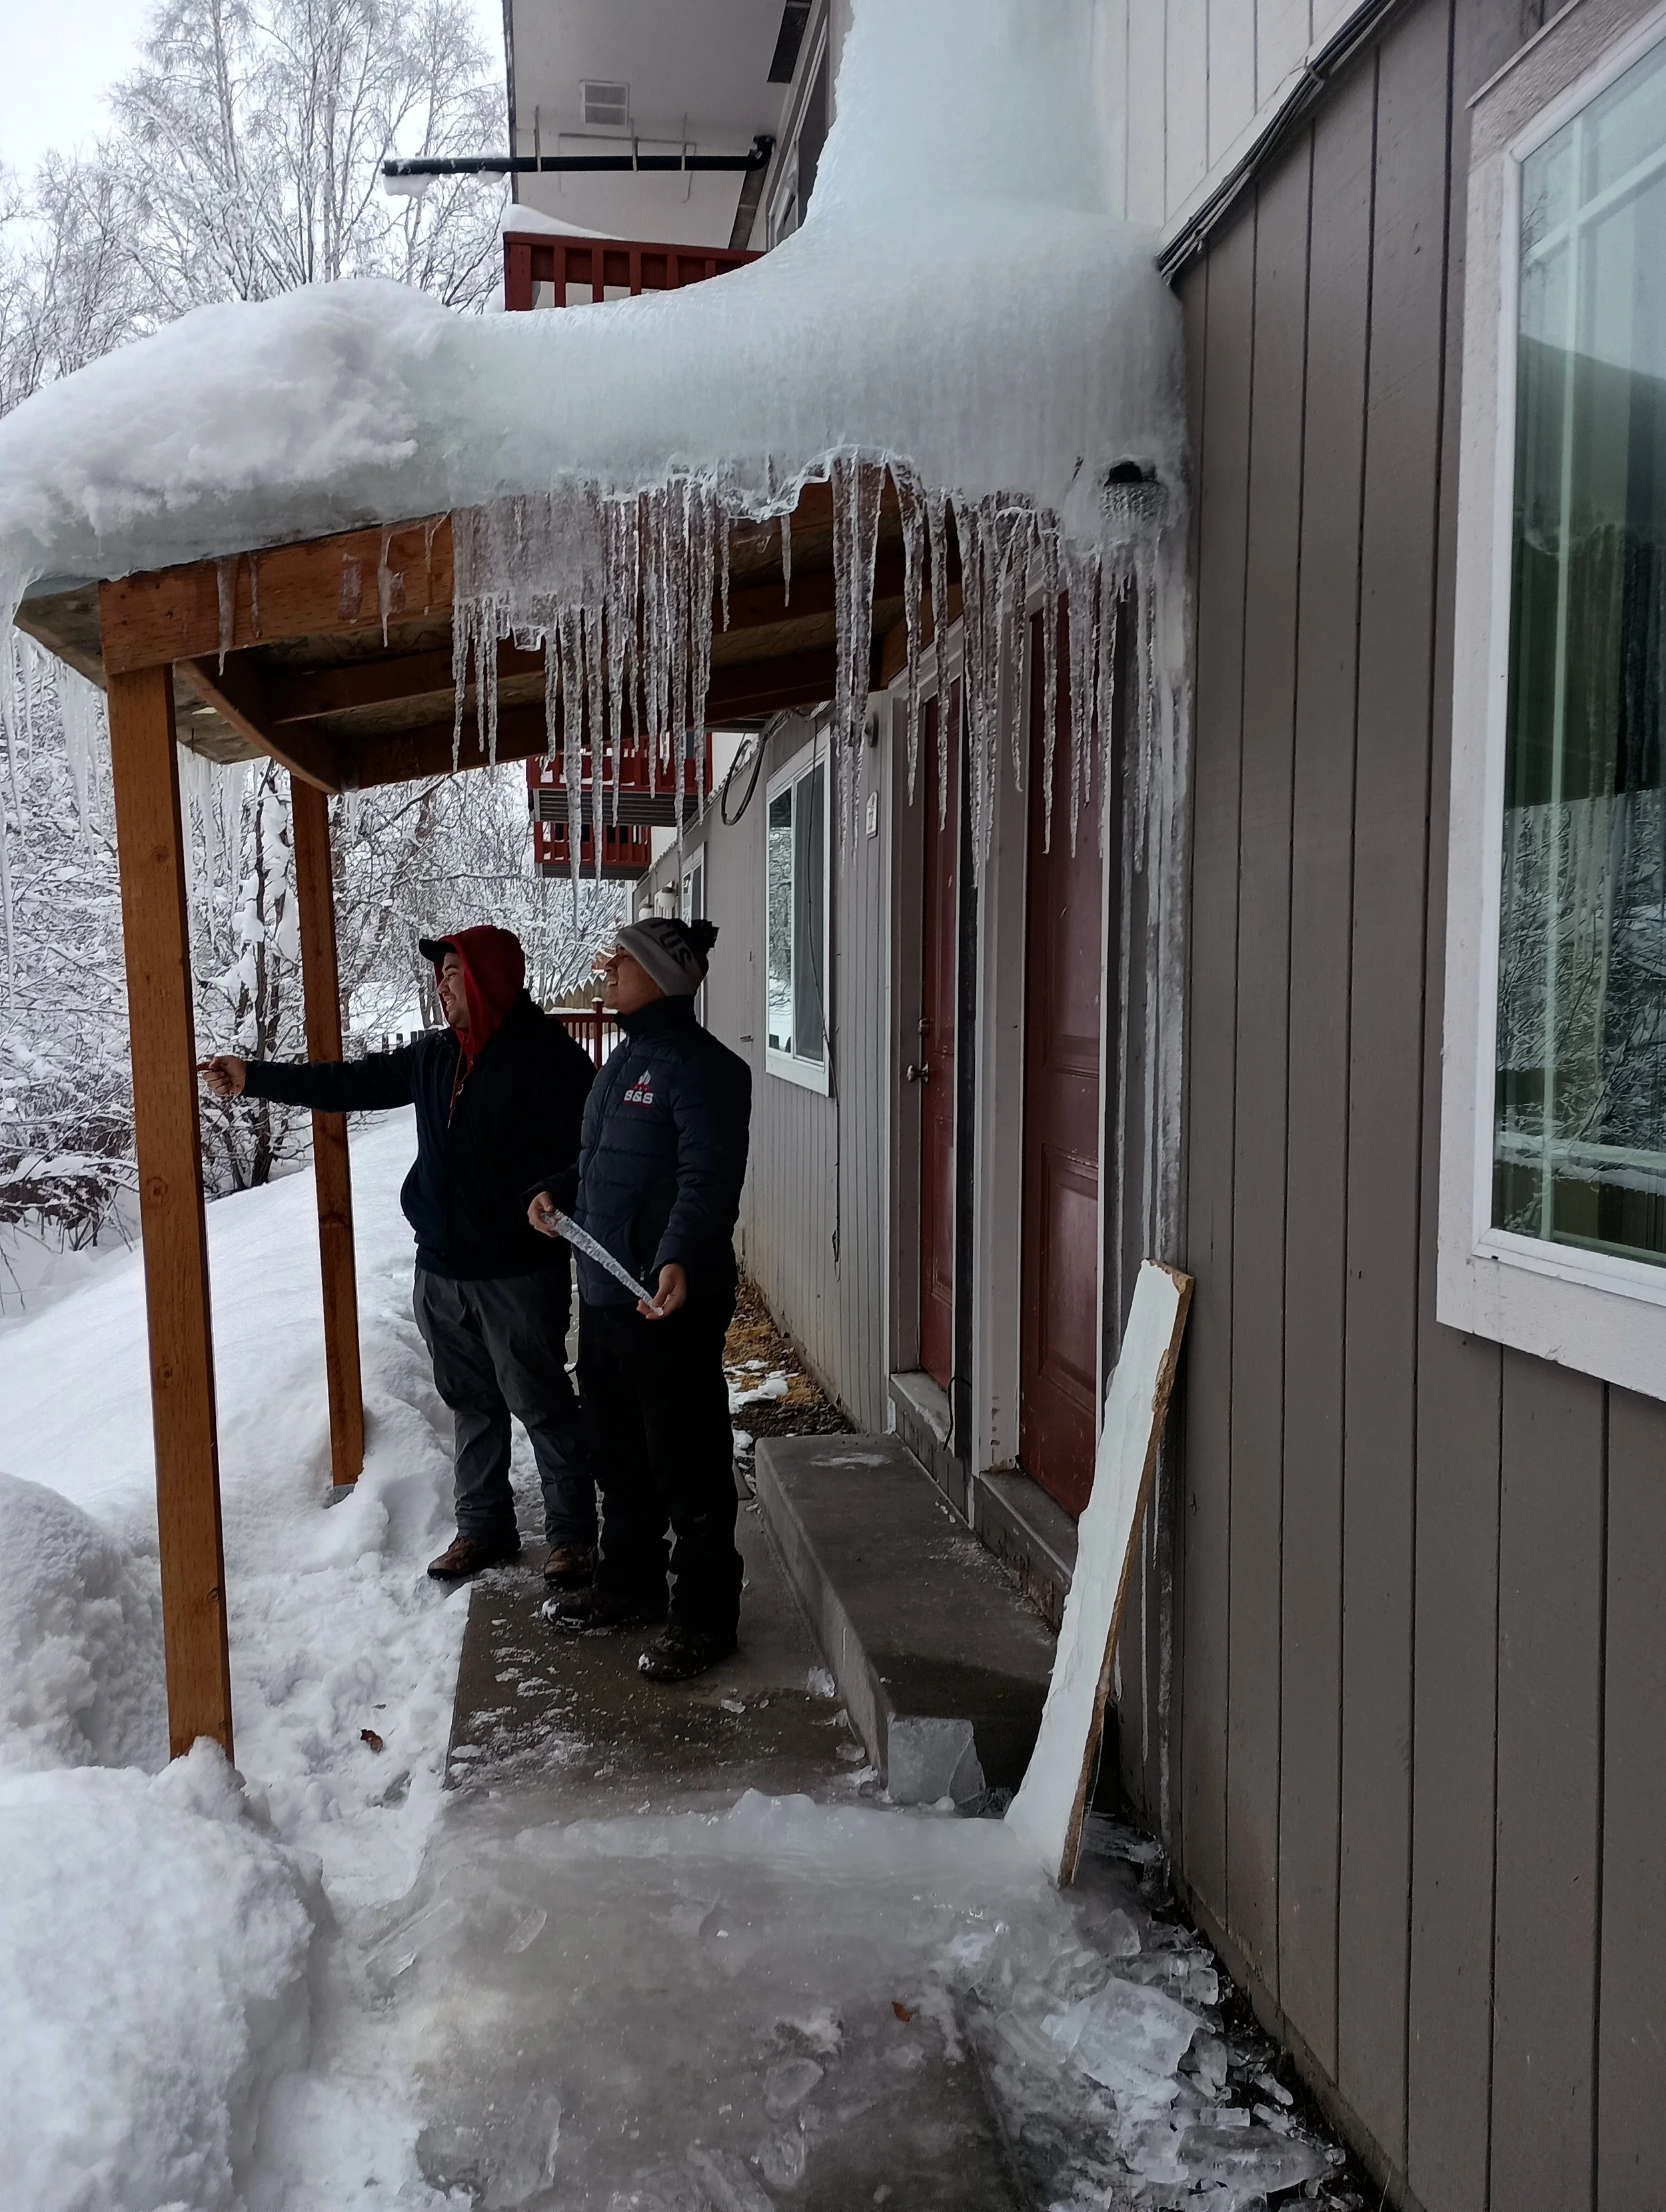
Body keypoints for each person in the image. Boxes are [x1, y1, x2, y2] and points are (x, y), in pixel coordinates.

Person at [199, 927, 598, 1586]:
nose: (440, 985)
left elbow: (593, 1148)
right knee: (470, 1403)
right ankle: (483, 1527)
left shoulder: (549, 1059)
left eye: (451, 973)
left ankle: (573, 1536)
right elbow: (347, 1082)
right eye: (439, 975)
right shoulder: (435, 1056)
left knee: (543, 1401)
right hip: (440, 1268)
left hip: (516, 1271)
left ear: (487, 979)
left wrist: (559, 1189)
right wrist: (255, 1076)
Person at [528, 915, 752, 1683]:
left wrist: (680, 1254)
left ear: (664, 973)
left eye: (622, 958)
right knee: (616, 1450)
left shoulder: (706, 1069)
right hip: (605, 1294)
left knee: (684, 1457)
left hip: (666, 1299)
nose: (608, 966)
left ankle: (704, 1615)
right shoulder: (622, 1062)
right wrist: (558, 1188)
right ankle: (628, 1585)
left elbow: (706, 1178)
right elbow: (601, 1162)